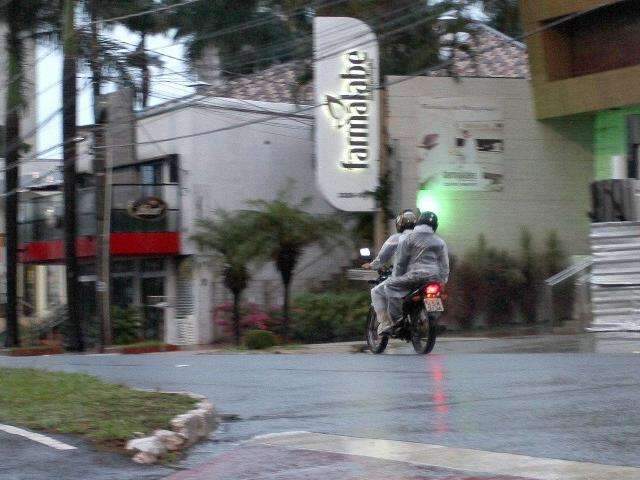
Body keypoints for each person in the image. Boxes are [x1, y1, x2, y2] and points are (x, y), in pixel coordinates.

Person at [381, 211, 449, 335]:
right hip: (434, 278)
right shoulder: (440, 242)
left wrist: (397, 277)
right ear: (435, 226)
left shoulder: (408, 238)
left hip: (414, 277)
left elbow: (401, 262)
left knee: (389, 285)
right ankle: (433, 318)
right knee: (436, 295)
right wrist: (443, 281)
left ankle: (396, 321)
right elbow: (444, 265)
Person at [362, 210, 417, 336]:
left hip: (403, 277)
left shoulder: (396, 238)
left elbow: (382, 257)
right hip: (423, 277)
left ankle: (386, 323)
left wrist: (371, 265)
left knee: (376, 291)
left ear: (399, 225)